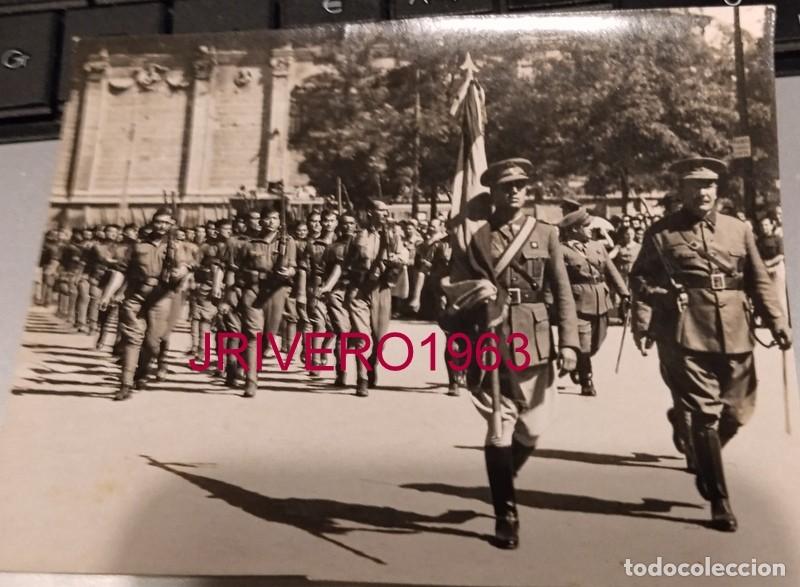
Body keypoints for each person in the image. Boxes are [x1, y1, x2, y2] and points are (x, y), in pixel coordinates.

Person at [629, 156, 791, 532]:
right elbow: (639, 280)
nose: (703, 192)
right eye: (694, 186)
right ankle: (719, 499)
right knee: (705, 413)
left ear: (717, 191)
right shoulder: (661, 233)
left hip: (736, 329)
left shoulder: (739, 229)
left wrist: (778, 320)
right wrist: (664, 300)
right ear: (682, 190)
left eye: (709, 185)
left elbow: (759, 279)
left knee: (737, 412)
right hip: (686, 332)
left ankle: (704, 456)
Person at [443, 158, 579, 549]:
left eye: (521, 185)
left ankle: (503, 475)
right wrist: (473, 294)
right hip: (488, 338)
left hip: (533, 339)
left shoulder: (546, 233)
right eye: (507, 187)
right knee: (499, 427)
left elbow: (563, 291)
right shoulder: (475, 236)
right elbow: (451, 288)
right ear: (494, 193)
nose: (515, 191)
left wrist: (569, 342)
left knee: (533, 426)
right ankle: (506, 513)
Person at [99, 208, 188, 401]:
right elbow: (120, 272)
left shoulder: (176, 246)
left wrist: (179, 272)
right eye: (158, 222)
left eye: (166, 223)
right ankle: (125, 384)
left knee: (152, 343)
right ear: (152, 222)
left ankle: (143, 370)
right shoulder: (137, 246)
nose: (162, 226)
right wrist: (107, 294)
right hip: (136, 296)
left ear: (172, 224)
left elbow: (183, 267)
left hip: (161, 297)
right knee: (133, 339)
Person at [559, 207, 630, 396]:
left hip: (601, 300)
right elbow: (556, 279)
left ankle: (577, 363)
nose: (591, 229)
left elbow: (611, 270)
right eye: (586, 226)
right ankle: (586, 380)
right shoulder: (561, 250)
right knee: (584, 343)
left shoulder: (597, 246)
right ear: (574, 229)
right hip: (578, 303)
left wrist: (625, 294)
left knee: (597, 342)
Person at [346, 200, 409, 397]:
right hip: (360, 289)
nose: (384, 213)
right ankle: (362, 378)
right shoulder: (358, 235)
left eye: (385, 211)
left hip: (382, 289)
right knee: (361, 338)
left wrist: (393, 261)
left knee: (379, 338)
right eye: (380, 210)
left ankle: (372, 365)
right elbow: (347, 260)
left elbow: (404, 255)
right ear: (370, 212)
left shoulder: (392, 235)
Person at [317, 214, 358, 387]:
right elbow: (330, 270)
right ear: (339, 226)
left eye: (351, 223)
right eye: (344, 223)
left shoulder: (362, 246)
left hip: (358, 293)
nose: (348, 226)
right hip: (337, 292)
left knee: (361, 334)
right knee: (342, 332)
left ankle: (365, 372)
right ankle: (341, 372)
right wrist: (325, 288)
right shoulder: (332, 248)